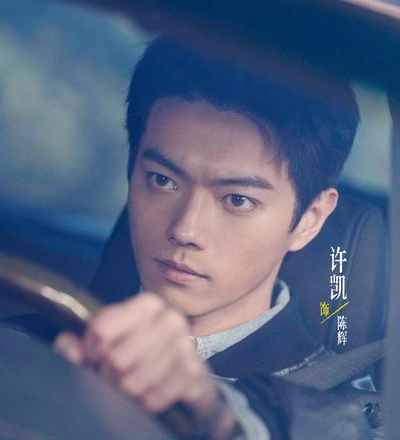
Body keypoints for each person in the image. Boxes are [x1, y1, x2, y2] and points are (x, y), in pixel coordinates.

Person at [52, 37, 379, 439]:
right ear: (132, 171)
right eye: (163, 180)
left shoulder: (343, 416)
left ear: (309, 220)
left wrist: (214, 418)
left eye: (237, 200)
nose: (185, 230)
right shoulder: (40, 341)